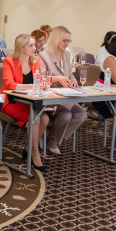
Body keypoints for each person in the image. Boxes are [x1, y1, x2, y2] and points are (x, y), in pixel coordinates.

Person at [0, 34, 48, 171]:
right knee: (35, 118)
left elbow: (40, 81)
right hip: (10, 100)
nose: (34, 47)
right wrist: (33, 86)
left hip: (27, 100)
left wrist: (42, 85)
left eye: (34, 45)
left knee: (44, 119)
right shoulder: (9, 61)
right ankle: (35, 154)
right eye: (31, 45)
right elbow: (10, 84)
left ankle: (28, 148)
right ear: (21, 47)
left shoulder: (36, 60)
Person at [38, 26, 88, 155]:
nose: (67, 44)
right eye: (64, 40)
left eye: (68, 41)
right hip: (49, 97)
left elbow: (69, 75)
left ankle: (52, 136)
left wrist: (73, 82)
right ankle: (53, 140)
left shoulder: (66, 54)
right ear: (55, 39)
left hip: (65, 96)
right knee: (66, 115)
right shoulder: (43, 56)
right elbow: (40, 79)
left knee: (82, 114)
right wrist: (55, 78)